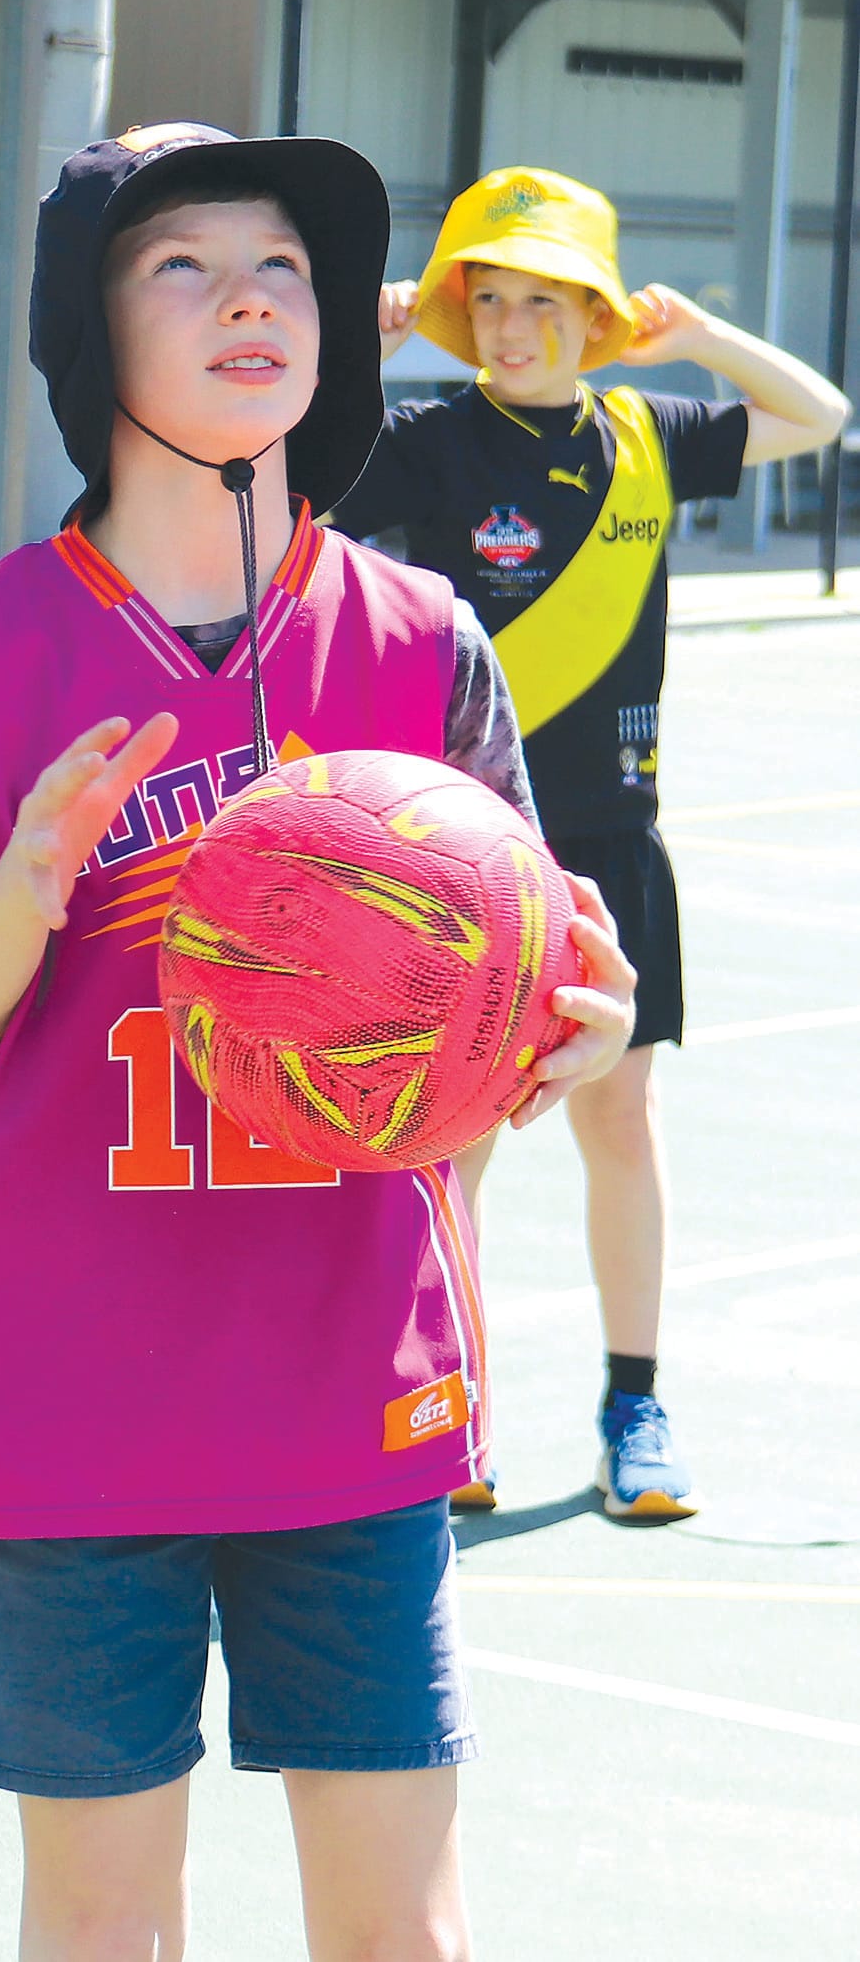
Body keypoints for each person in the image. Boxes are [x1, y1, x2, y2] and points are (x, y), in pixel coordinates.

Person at [0, 125, 636, 1962]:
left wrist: (569, 1040)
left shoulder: (424, 643)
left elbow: (533, 1002)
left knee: (400, 1933)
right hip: (73, 1388)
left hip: (348, 1381)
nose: (249, 297)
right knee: (107, 1929)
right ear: (87, 336)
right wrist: (27, 885)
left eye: (281, 265)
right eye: (181, 267)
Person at [330, 165, 849, 1524]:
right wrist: (351, 347)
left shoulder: (647, 432)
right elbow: (281, 484)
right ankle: (455, 1393)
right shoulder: (433, 440)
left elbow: (824, 415)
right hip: (460, 861)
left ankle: (636, 1403)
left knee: (620, 1117)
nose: (511, 329)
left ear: (597, 313)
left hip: (613, 853)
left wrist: (701, 339)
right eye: (486, 301)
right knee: (456, 1139)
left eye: (544, 302)